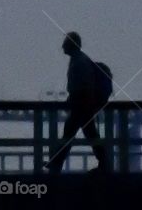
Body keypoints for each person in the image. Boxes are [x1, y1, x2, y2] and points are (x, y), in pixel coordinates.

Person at [46, 31, 109, 174]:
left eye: (65, 44)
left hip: (82, 105)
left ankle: (56, 164)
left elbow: (83, 85)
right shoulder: (80, 59)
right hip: (84, 105)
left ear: (70, 45)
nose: (62, 47)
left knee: (72, 133)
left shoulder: (79, 62)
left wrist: (74, 98)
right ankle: (104, 163)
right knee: (86, 134)